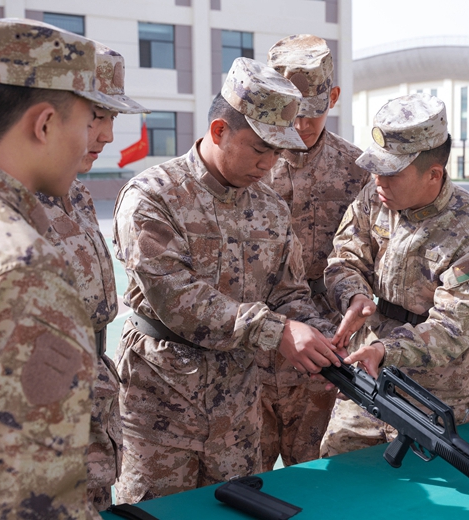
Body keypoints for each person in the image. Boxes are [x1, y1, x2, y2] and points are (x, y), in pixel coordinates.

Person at [112, 57, 340, 502]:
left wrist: (324, 343)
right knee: (157, 513)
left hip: (236, 409)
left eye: (278, 152)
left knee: (236, 507)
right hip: (162, 405)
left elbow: (288, 292)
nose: (269, 163)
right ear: (219, 131)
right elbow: (177, 299)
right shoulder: (153, 196)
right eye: (260, 149)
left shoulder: (270, 207)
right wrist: (277, 331)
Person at [0, 18, 128, 518]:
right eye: (87, 122)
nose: (96, 140)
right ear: (44, 124)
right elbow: (22, 500)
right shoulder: (22, 268)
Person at [319, 92, 469, 457]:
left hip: (434, 393)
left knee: (429, 486)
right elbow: (345, 256)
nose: (378, 180)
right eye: (376, 168)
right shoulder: (375, 198)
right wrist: (354, 295)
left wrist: (385, 349)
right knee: (340, 470)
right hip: (368, 375)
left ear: (433, 174)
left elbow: (453, 326)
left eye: (391, 172)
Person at [36, 44, 149, 511]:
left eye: (112, 118)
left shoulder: (77, 193)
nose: (106, 135)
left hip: (94, 406)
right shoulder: (2, 205)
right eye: (95, 116)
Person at [258, 34, 371, 471]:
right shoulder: (248, 162)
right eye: (293, 112)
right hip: (251, 347)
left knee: (316, 474)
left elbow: (368, 254)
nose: (303, 124)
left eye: (314, 111)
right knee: (242, 479)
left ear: (334, 98)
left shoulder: (357, 170)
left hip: (324, 347)